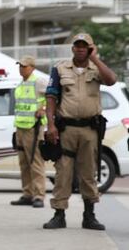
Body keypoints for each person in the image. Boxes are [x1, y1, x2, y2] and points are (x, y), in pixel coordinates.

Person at [43, 33, 116, 230]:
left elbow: (111, 80)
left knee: (88, 173)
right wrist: (50, 125)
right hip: (66, 128)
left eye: (85, 46)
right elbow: (50, 98)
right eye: (77, 45)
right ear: (72, 48)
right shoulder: (60, 69)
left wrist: (95, 59)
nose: (81, 48)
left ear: (91, 48)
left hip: (89, 130)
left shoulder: (97, 68)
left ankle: (89, 215)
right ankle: (59, 214)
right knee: (63, 172)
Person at [10, 55, 47, 208]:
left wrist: (43, 109)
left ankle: (39, 195)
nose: (21, 68)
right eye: (20, 66)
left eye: (24, 66)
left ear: (32, 67)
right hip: (20, 128)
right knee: (24, 163)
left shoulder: (38, 81)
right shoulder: (21, 84)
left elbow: (53, 99)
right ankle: (28, 194)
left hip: (34, 128)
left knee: (36, 163)